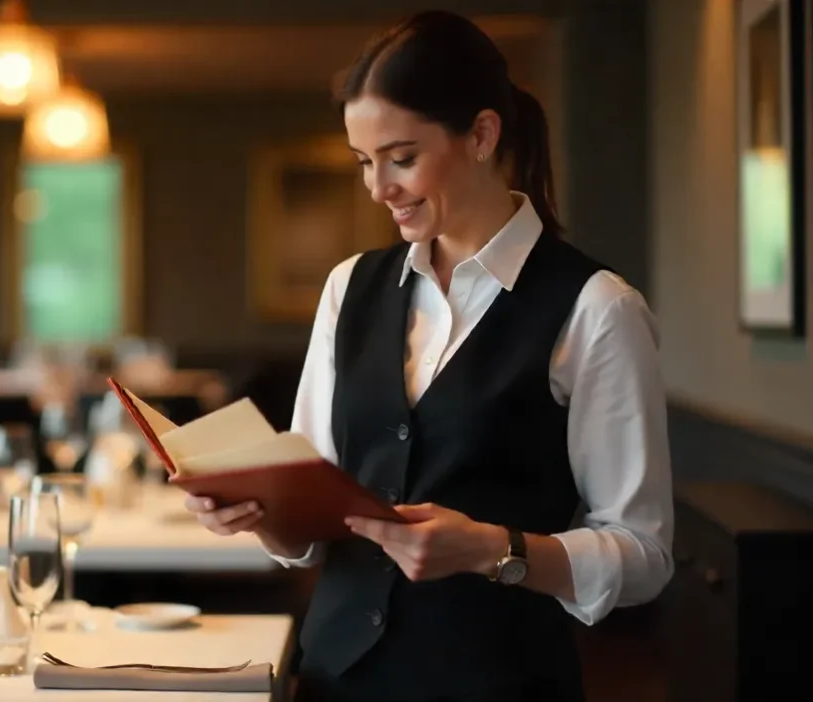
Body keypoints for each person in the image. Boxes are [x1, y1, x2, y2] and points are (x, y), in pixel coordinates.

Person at [184, 10, 674, 701]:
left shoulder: (597, 307)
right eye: (364, 162)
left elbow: (644, 556)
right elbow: (311, 499)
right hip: (335, 680)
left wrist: (492, 550)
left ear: (480, 134)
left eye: (401, 158)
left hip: (501, 684)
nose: (377, 188)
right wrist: (260, 510)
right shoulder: (348, 287)